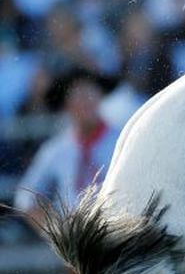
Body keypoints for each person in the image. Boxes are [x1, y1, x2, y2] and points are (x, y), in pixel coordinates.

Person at [14, 69, 120, 234]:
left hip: (117, 234)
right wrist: (56, 232)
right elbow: (25, 197)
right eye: (78, 97)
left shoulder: (121, 141)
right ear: (67, 105)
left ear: (101, 98)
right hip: (75, 240)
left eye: (90, 94)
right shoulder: (56, 149)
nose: (86, 102)